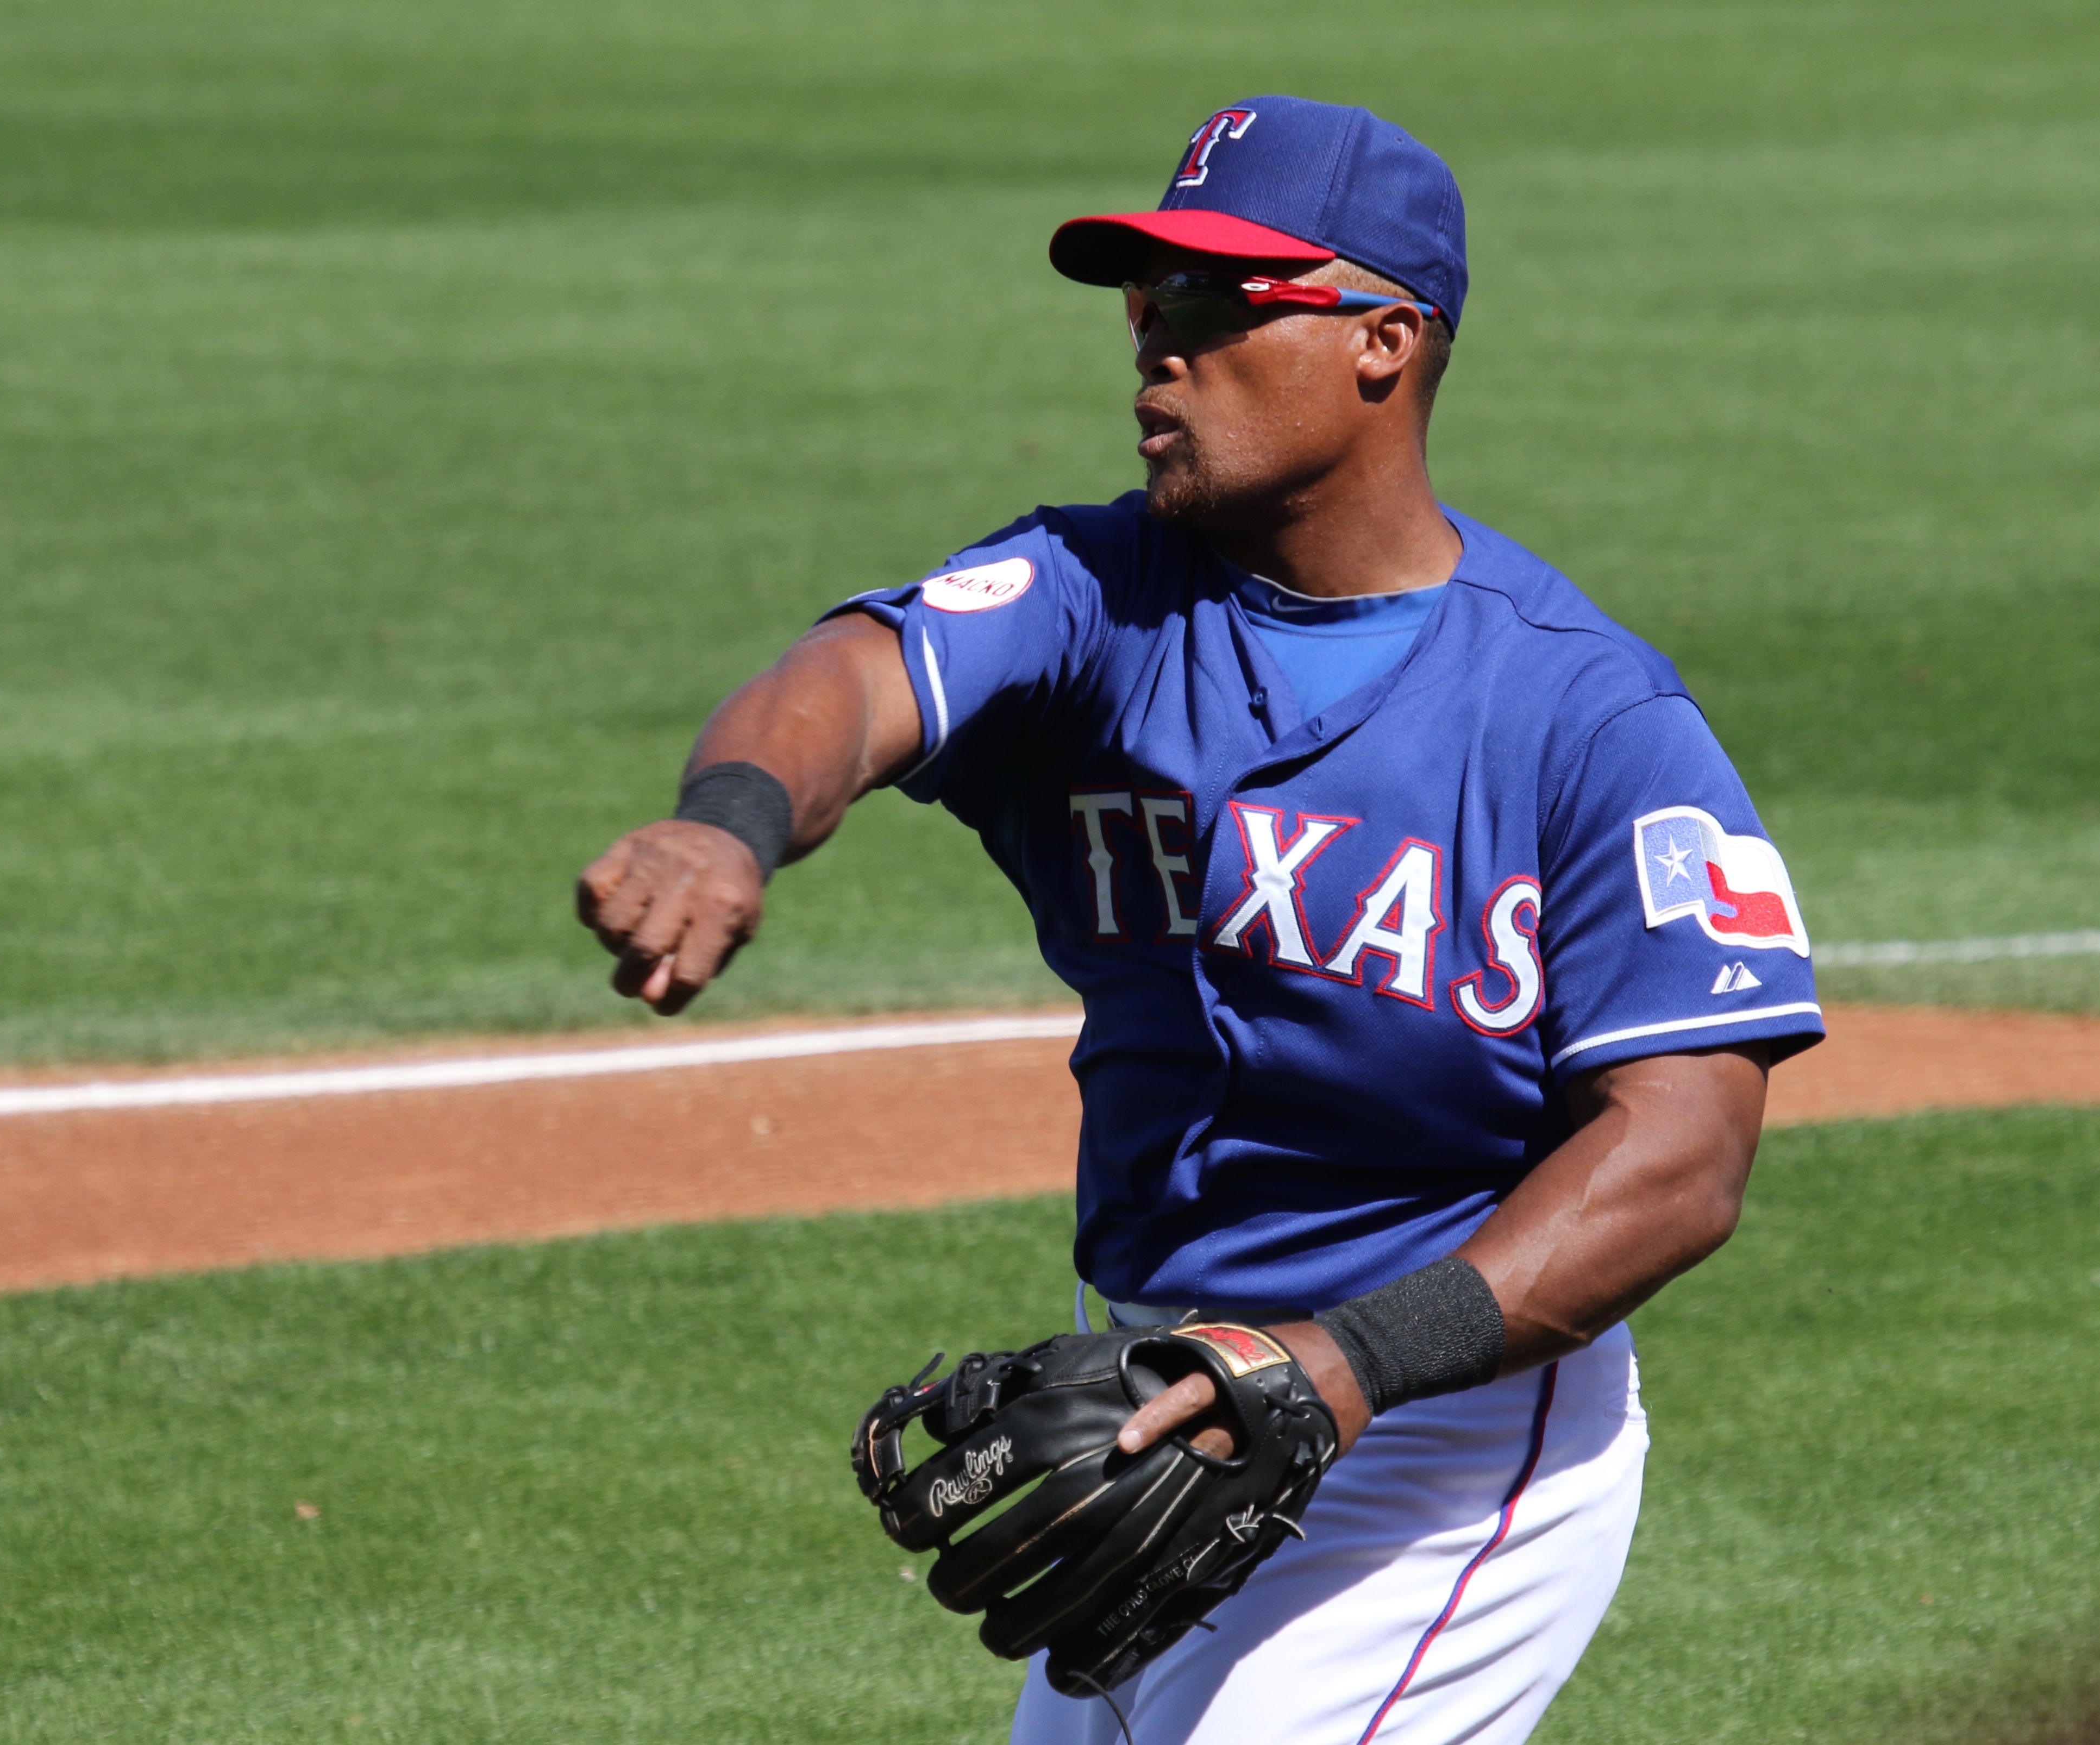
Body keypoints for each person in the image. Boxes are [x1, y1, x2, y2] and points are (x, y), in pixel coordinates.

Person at [575, 95, 1822, 1744]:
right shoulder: (1091, 597)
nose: (1156, 349)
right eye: (1143, 303)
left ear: (1383, 340)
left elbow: (1680, 1154)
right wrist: (726, 822)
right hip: (1155, 1399)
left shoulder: (1585, 720)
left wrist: (1344, 1364)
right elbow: (848, 684)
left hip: (1443, 1438)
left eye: (1218, 306)